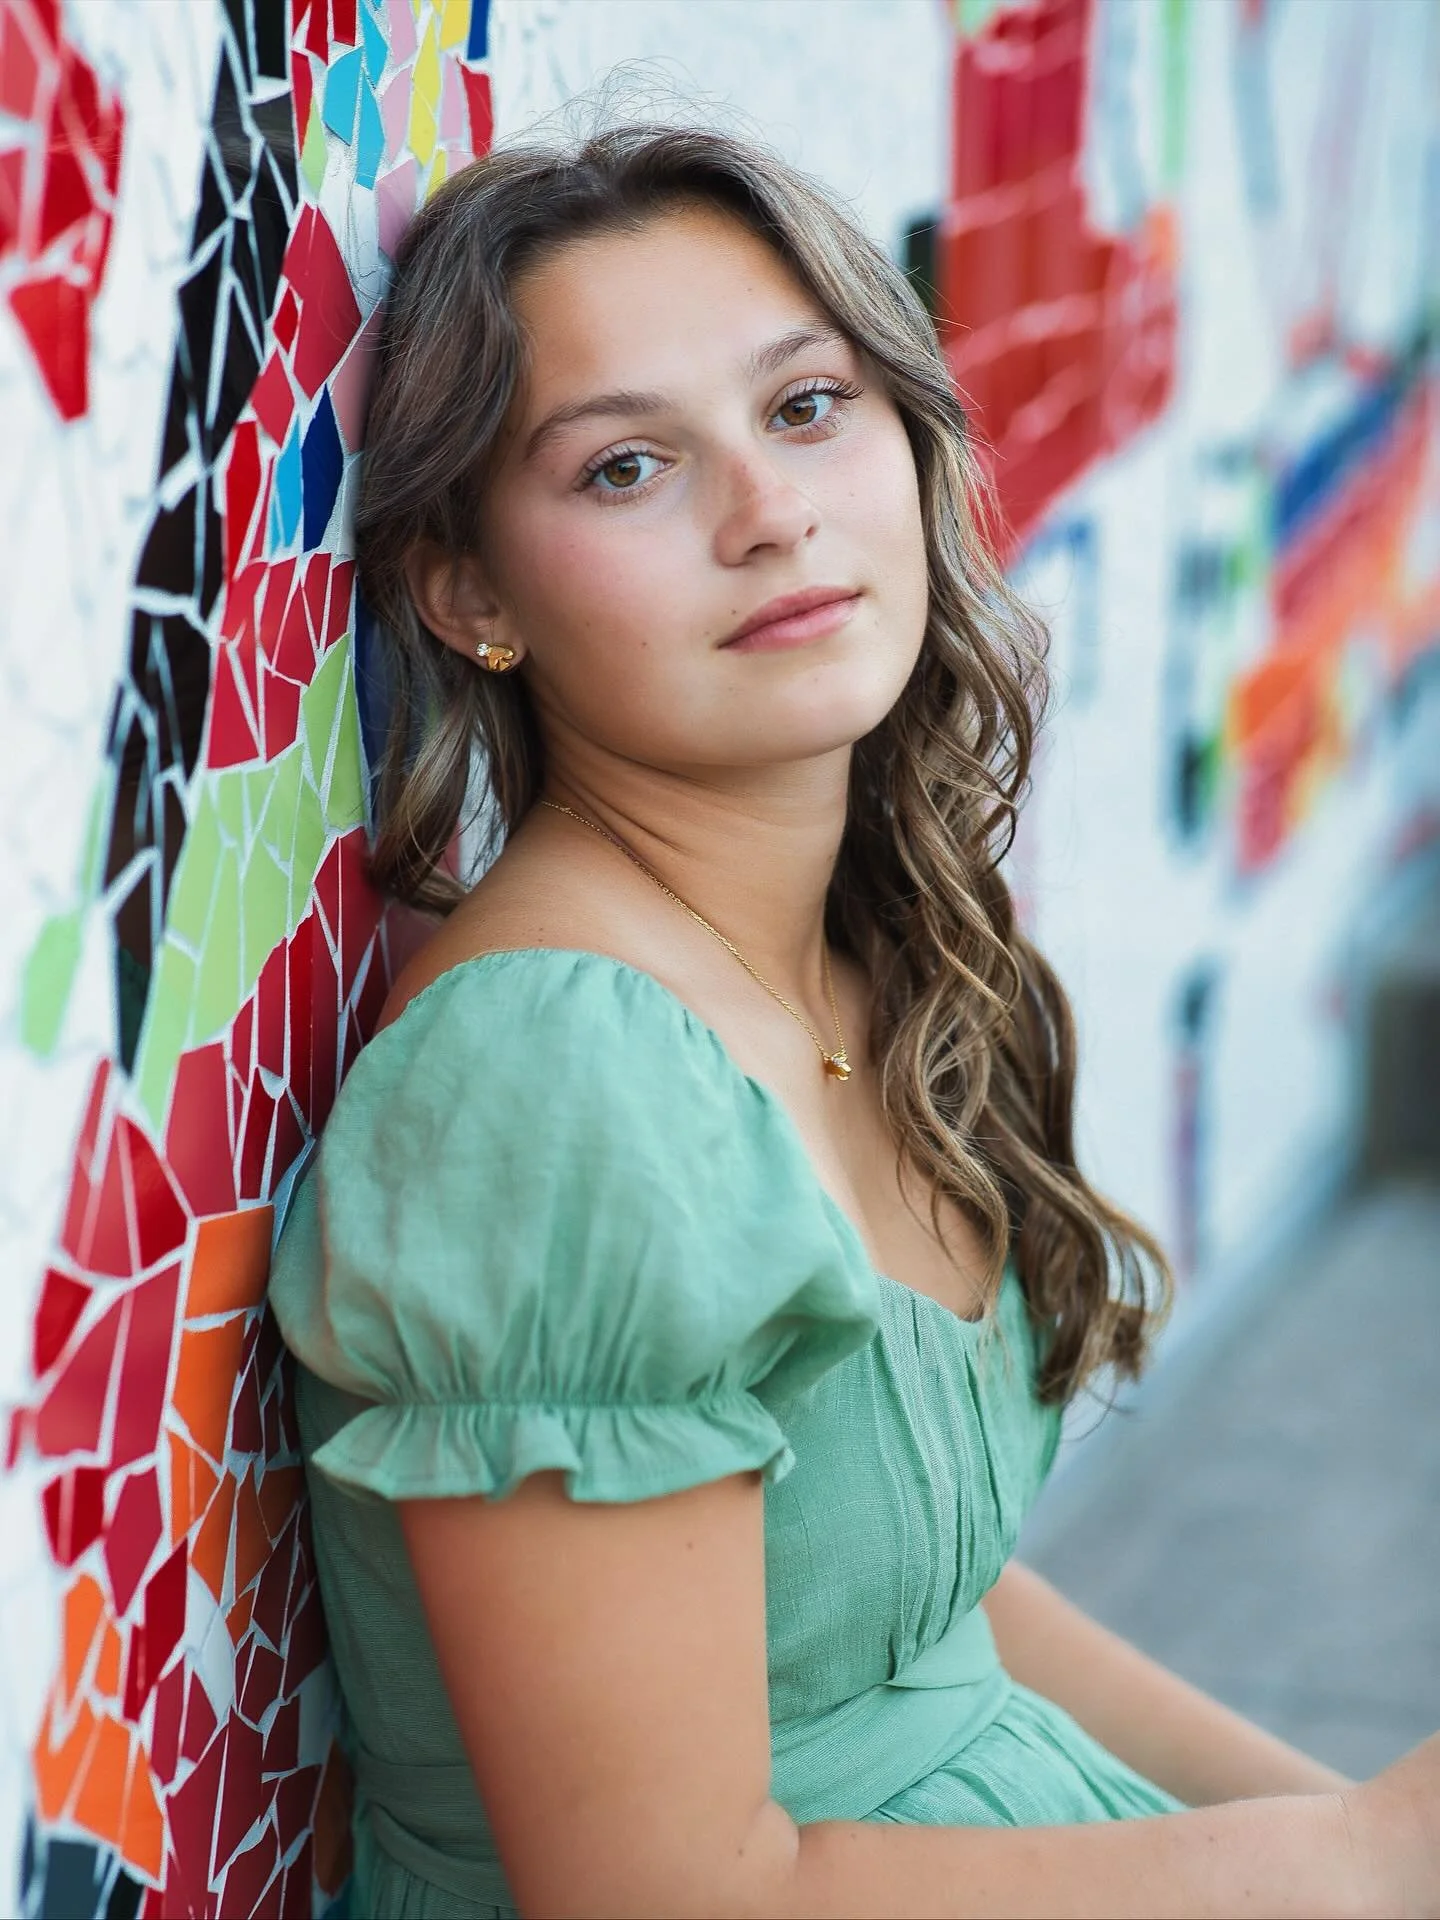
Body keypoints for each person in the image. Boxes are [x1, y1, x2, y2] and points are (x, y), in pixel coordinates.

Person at [266, 121, 1440, 1919]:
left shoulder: (861, 952)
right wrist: (1342, 1870)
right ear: (470, 593)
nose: (771, 509)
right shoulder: (559, 1080)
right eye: (631, 466)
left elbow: (926, 1613)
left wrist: (1348, 1841)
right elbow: (666, 1893)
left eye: (807, 408)